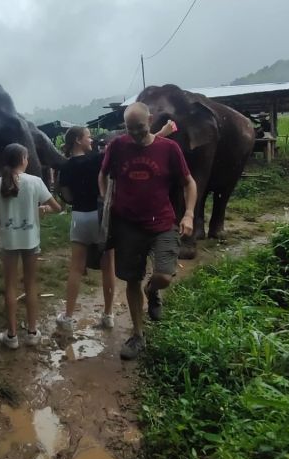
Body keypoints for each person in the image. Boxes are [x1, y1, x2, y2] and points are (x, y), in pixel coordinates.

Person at [99, 103, 197, 360]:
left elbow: (189, 182)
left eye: (140, 127)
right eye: (130, 129)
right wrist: (106, 200)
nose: (135, 133)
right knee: (131, 278)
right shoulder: (118, 146)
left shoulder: (169, 148)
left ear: (150, 120)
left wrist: (188, 213)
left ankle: (152, 291)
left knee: (164, 275)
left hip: (162, 222)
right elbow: (103, 174)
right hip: (127, 225)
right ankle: (138, 335)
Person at [0, 143, 61, 349]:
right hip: (30, 241)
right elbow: (57, 207)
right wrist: (42, 208)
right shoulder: (35, 181)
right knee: (30, 284)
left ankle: (11, 336)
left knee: (10, 286)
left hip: (9, 241)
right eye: (27, 157)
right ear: (23, 159)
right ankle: (32, 332)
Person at [55, 126, 116, 332]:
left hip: (80, 216)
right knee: (108, 266)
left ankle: (69, 317)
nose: (91, 140)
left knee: (76, 267)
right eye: (89, 137)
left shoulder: (66, 166)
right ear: (79, 140)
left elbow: (66, 194)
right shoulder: (96, 159)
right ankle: (108, 315)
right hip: (101, 216)